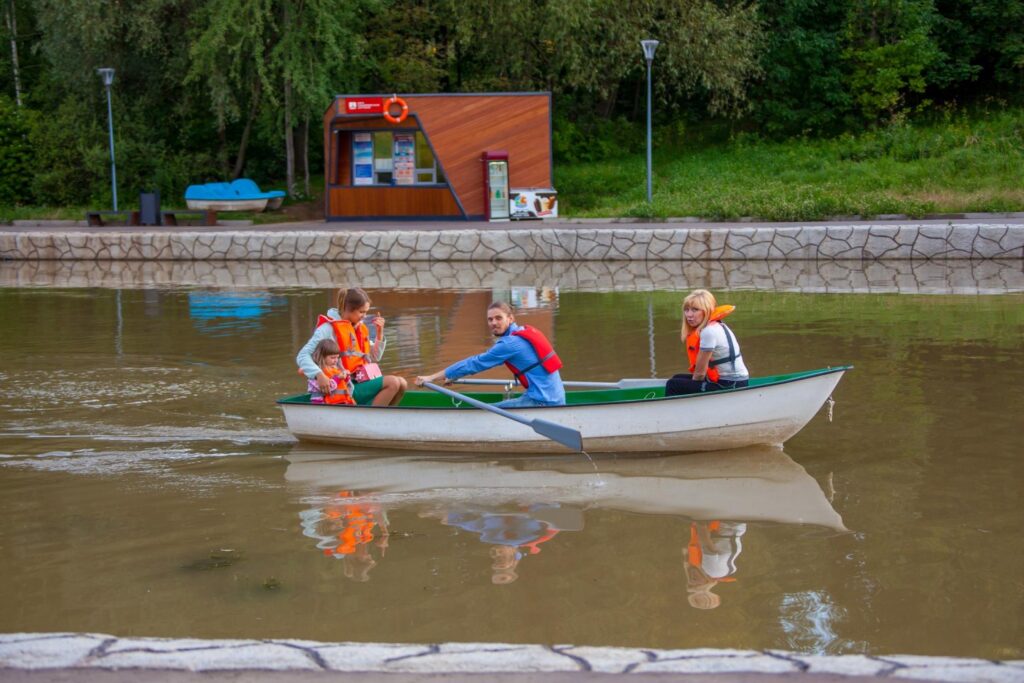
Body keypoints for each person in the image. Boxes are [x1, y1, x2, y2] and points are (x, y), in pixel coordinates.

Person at [414, 301, 565, 408]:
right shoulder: (524, 331)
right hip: (555, 398)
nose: (493, 323)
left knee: (482, 412)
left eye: (498, 318)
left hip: (543, 402)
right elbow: (477, 364)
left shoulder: (509, 344)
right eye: (490, 319)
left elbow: (474, 364)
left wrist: (431, 378)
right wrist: (453, 375)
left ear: (510, 318)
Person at [297, 287, 407, 406]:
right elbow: (302, 356)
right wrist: (319, 375)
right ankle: (370, 419)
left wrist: (379, 333)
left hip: (360, 382)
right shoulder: (327, 329)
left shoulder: (358, 328)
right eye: (361, 312)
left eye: (366, 312)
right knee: (393, 383)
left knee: (402, 383)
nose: (364, 316)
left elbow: (374, 357)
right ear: (347, 309)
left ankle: (380, 417)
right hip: (342, 387)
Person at [666, 289, 749, 397]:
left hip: (731, 384)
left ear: (707, 311)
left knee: (673, 385)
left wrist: (692, 387)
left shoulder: (708, 332)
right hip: (731, 380)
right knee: (676, 378)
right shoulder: (717, 325)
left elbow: (700, 374)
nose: (689, 315)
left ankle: (674, 412)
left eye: (695, 310)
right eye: (686, 310)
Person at [307, 339, 354, 405]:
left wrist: (346, 377)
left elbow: (343, 384)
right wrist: (339, 378)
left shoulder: (334, 368)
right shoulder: (319, 373)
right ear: (322, 357)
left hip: (340, 402)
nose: (336, 360)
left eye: (337, 357)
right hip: (321, 403)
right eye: (332, 358)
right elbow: (328, 387)